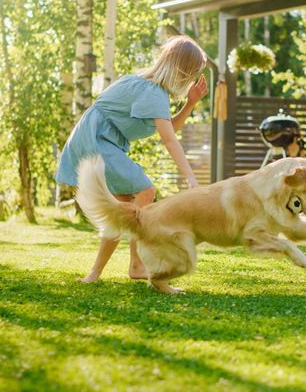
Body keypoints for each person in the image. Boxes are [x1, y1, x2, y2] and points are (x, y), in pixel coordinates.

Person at [55, 35, 208, 283]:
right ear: (182, 70)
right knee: (145, 189)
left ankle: (94, 274)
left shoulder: (151, 89)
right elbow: (169, 140)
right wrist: (190, 176)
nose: (191, 80)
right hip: (96, 140)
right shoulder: (153, 92)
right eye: (192, 74)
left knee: (123, 208)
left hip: (99, 140)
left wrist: (190, 104)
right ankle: (137, 265)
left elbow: (167, 132)